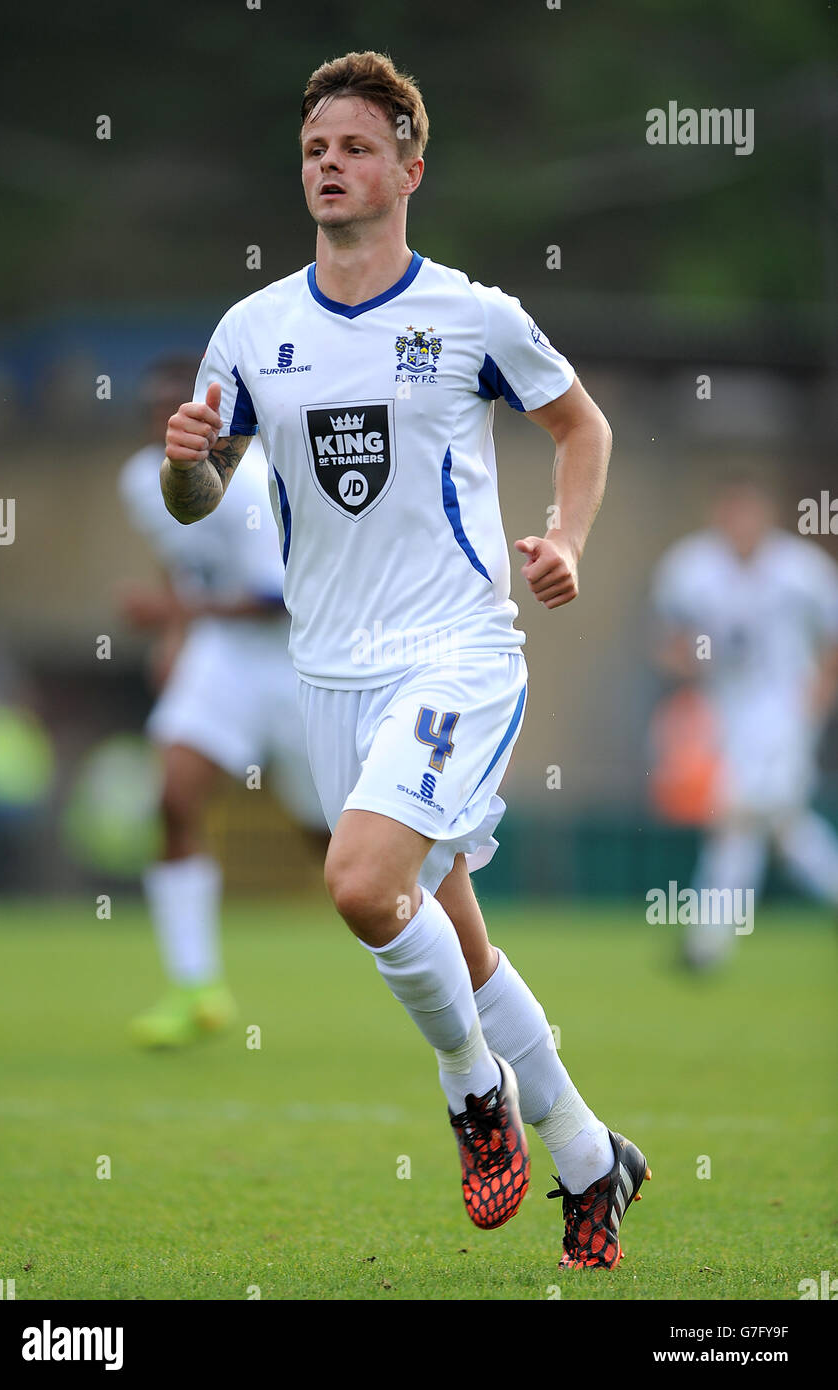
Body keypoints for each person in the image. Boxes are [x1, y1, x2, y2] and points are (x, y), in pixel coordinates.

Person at [158, 52, 649, 1268]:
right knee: (449, 932)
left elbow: (579, 425)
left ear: (408, 170)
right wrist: (185, 460)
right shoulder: (252, 329)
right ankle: (590, 1156)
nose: (330, 165)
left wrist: (567, 541)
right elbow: (192, 497)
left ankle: (472, 1092)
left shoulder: (471, 315)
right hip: (327, 671)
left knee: (361, 883)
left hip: (457, 652)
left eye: (356, 147)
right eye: (316, 149)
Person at [119, 356, 327, 1047]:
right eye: (153, 412)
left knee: (336, 848)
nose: (163, 425)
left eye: (175, 411)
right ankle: (195, 987)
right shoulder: (143, 481)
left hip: (300, 663)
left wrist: (176, 611)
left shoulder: (252, 482)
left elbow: (277, 603)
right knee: (174, 799)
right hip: (222, 659)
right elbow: (178, 556)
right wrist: (177, 634)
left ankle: (445, 954)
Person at [652, 473, 838, 968]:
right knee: (780, 828)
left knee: (734, 816)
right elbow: (672, 646)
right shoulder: (692, 568)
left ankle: (706, 943)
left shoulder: (801, 571)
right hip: (727, 714)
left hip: (784, 710)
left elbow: (831, 637)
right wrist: (688, 666)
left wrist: (818, 697)